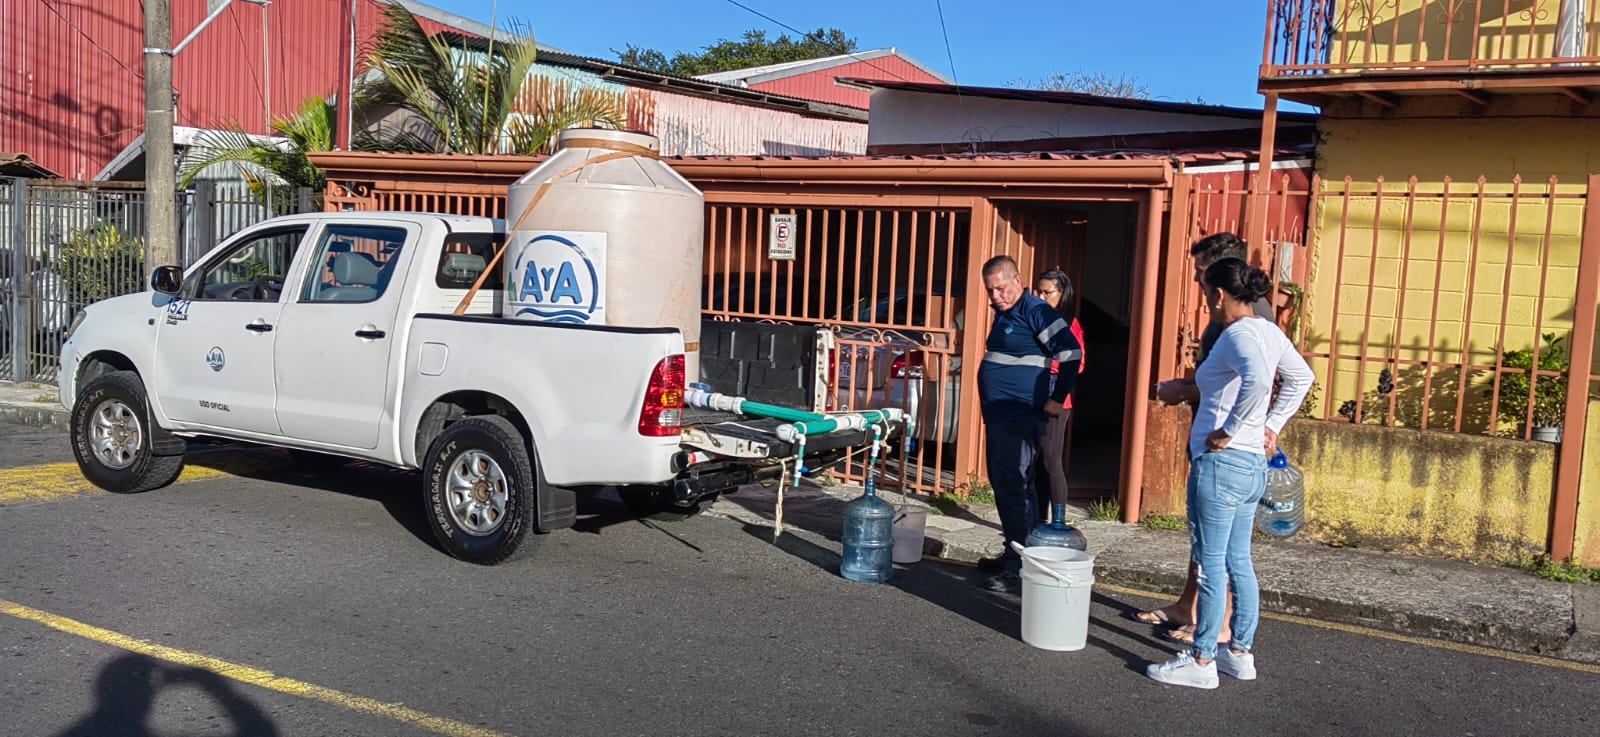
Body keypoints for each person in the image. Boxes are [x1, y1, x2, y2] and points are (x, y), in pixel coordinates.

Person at [1145, 257, 1313, 689]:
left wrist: (1230, 430)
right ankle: (1239, 652)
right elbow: (1301, 377)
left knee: (1210, 563)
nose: (1206, 302)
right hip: (1251, 465)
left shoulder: (1238, 334)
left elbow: (1257, 381)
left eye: (1205, 293)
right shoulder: (1269, 331)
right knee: (1239, 560)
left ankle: (1202, 661)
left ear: (1219, 295)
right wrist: (1270, 425)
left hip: (1221, 465)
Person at [1135, 232, 1278, 646]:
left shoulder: (1247, 320)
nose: (1197, 283)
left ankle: (1218, 628)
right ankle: (1189, 606)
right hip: (1214, 437)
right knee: (1206, 535)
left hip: (1227, 448)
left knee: (1223, 549)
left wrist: (1192, 397)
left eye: (1201, 274)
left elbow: (1256, 381)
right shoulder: (1229, 315)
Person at [972, 255, 1084, 593]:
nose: (996, 297)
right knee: (1007, 483)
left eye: (1001, 289)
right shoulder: (1007, 313)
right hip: (1000, 415)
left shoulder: (1036, 310)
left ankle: (1019, 565)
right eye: (990, 291)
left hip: (1020, 415)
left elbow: (1071, 353)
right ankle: (1015, 551)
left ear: (1017, 280)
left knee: (1014, 484)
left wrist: (1056, 397)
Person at [1033, 269, 1085, 516]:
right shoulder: (1036, 319)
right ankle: (1038, 517)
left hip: (1056, 398)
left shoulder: (1068, 324)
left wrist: (1051, 365)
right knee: (1036, 463)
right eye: (1038, 292)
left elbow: (1078, 362)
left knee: (1051, 461)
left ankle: (1059, 520)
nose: (1041, 297)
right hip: (1032, 392)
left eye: (1048, 293)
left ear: (1062, 295)